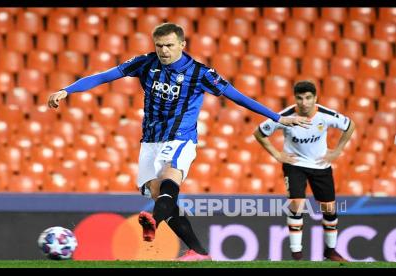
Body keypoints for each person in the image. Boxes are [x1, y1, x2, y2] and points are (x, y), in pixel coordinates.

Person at [48, 23, 311, 261]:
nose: (164, 50)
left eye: (170, 45)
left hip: (181, 137)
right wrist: (67, 90)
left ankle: (154, 220)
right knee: (157, 192)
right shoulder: (145, 63)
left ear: (182, 45)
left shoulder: (200, 73)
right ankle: (199, 251)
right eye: (159, 45)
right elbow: (105, 76)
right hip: (150, 139)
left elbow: (237, 96)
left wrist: (278, 118)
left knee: (168, 177)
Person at [253, 81, 355, 262]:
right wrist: (277, 155)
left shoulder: (325, 115)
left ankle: (330, 250)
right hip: (295, 165)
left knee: (329, 209)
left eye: (308, 98)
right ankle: (297, 254)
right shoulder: (285, 117)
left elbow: (350, 125)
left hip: (320, 166)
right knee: (296, 204)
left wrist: (338, 150)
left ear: (315, 98)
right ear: (295, 99)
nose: (304, 102)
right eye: (299, 98)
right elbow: (259, 132)